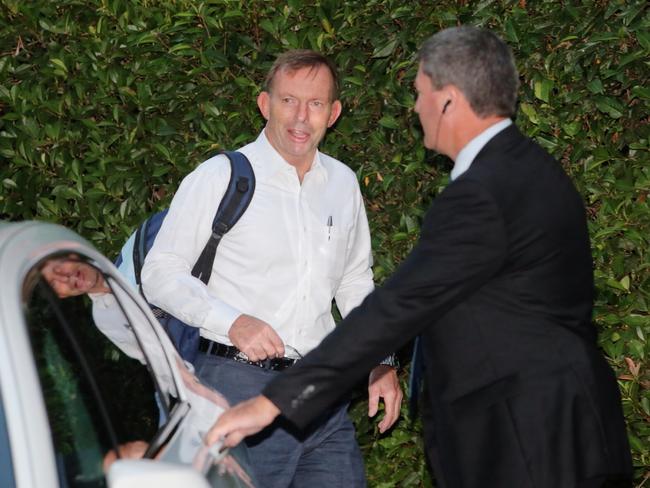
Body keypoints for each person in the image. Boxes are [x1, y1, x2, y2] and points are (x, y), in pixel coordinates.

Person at [205, 27, 634, 488]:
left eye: (419, 93)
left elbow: (400, 304)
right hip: (559, 428)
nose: (415, 108)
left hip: (528, 439)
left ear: (447, 100)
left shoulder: (483, 193)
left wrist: (273, 403)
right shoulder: (532, 169)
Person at [140, 49, 402, 487]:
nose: (301, 117)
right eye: (288, 101)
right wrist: (233, 321)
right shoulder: (220, 177)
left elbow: (355, 281)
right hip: (235, 386)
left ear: (333, 113)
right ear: (265, 104)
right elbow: (160, 273)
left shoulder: (343, 183)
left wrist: (382, 360)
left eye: (315, 104)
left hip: (323, 394)